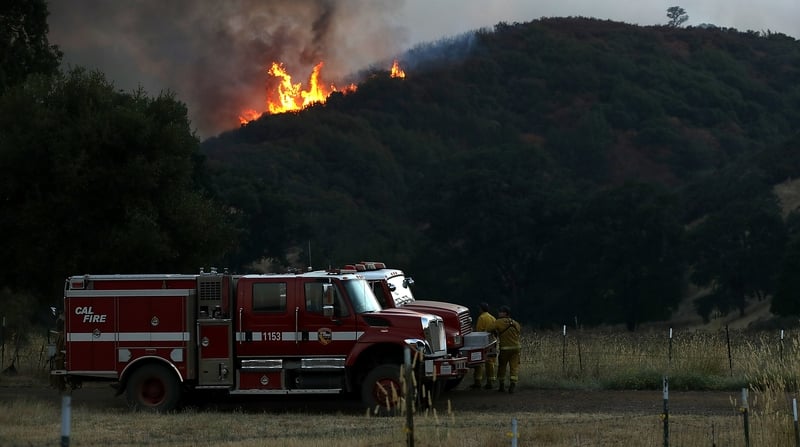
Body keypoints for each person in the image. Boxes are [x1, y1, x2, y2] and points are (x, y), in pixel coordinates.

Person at [491, 305, 521, 393]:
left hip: (505, 349)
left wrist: (495, 332)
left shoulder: (498, 322)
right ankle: (513, 385)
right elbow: (519, 331)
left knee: (502, 366)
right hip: (516, 348)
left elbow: (488, 329)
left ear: (505, 313)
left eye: (500, 311)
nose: (499, 313)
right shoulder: (515, 323)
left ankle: (501, 386)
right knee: (514, 367)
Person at [470, 302, 497, 390]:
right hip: (492, 342)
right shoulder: (493, 317)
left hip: (483, 343)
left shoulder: (481, 318)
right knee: (491, 362)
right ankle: (490, 382)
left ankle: (478, 382)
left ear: (481, 309)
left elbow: (478, 332)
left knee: (479, 362)